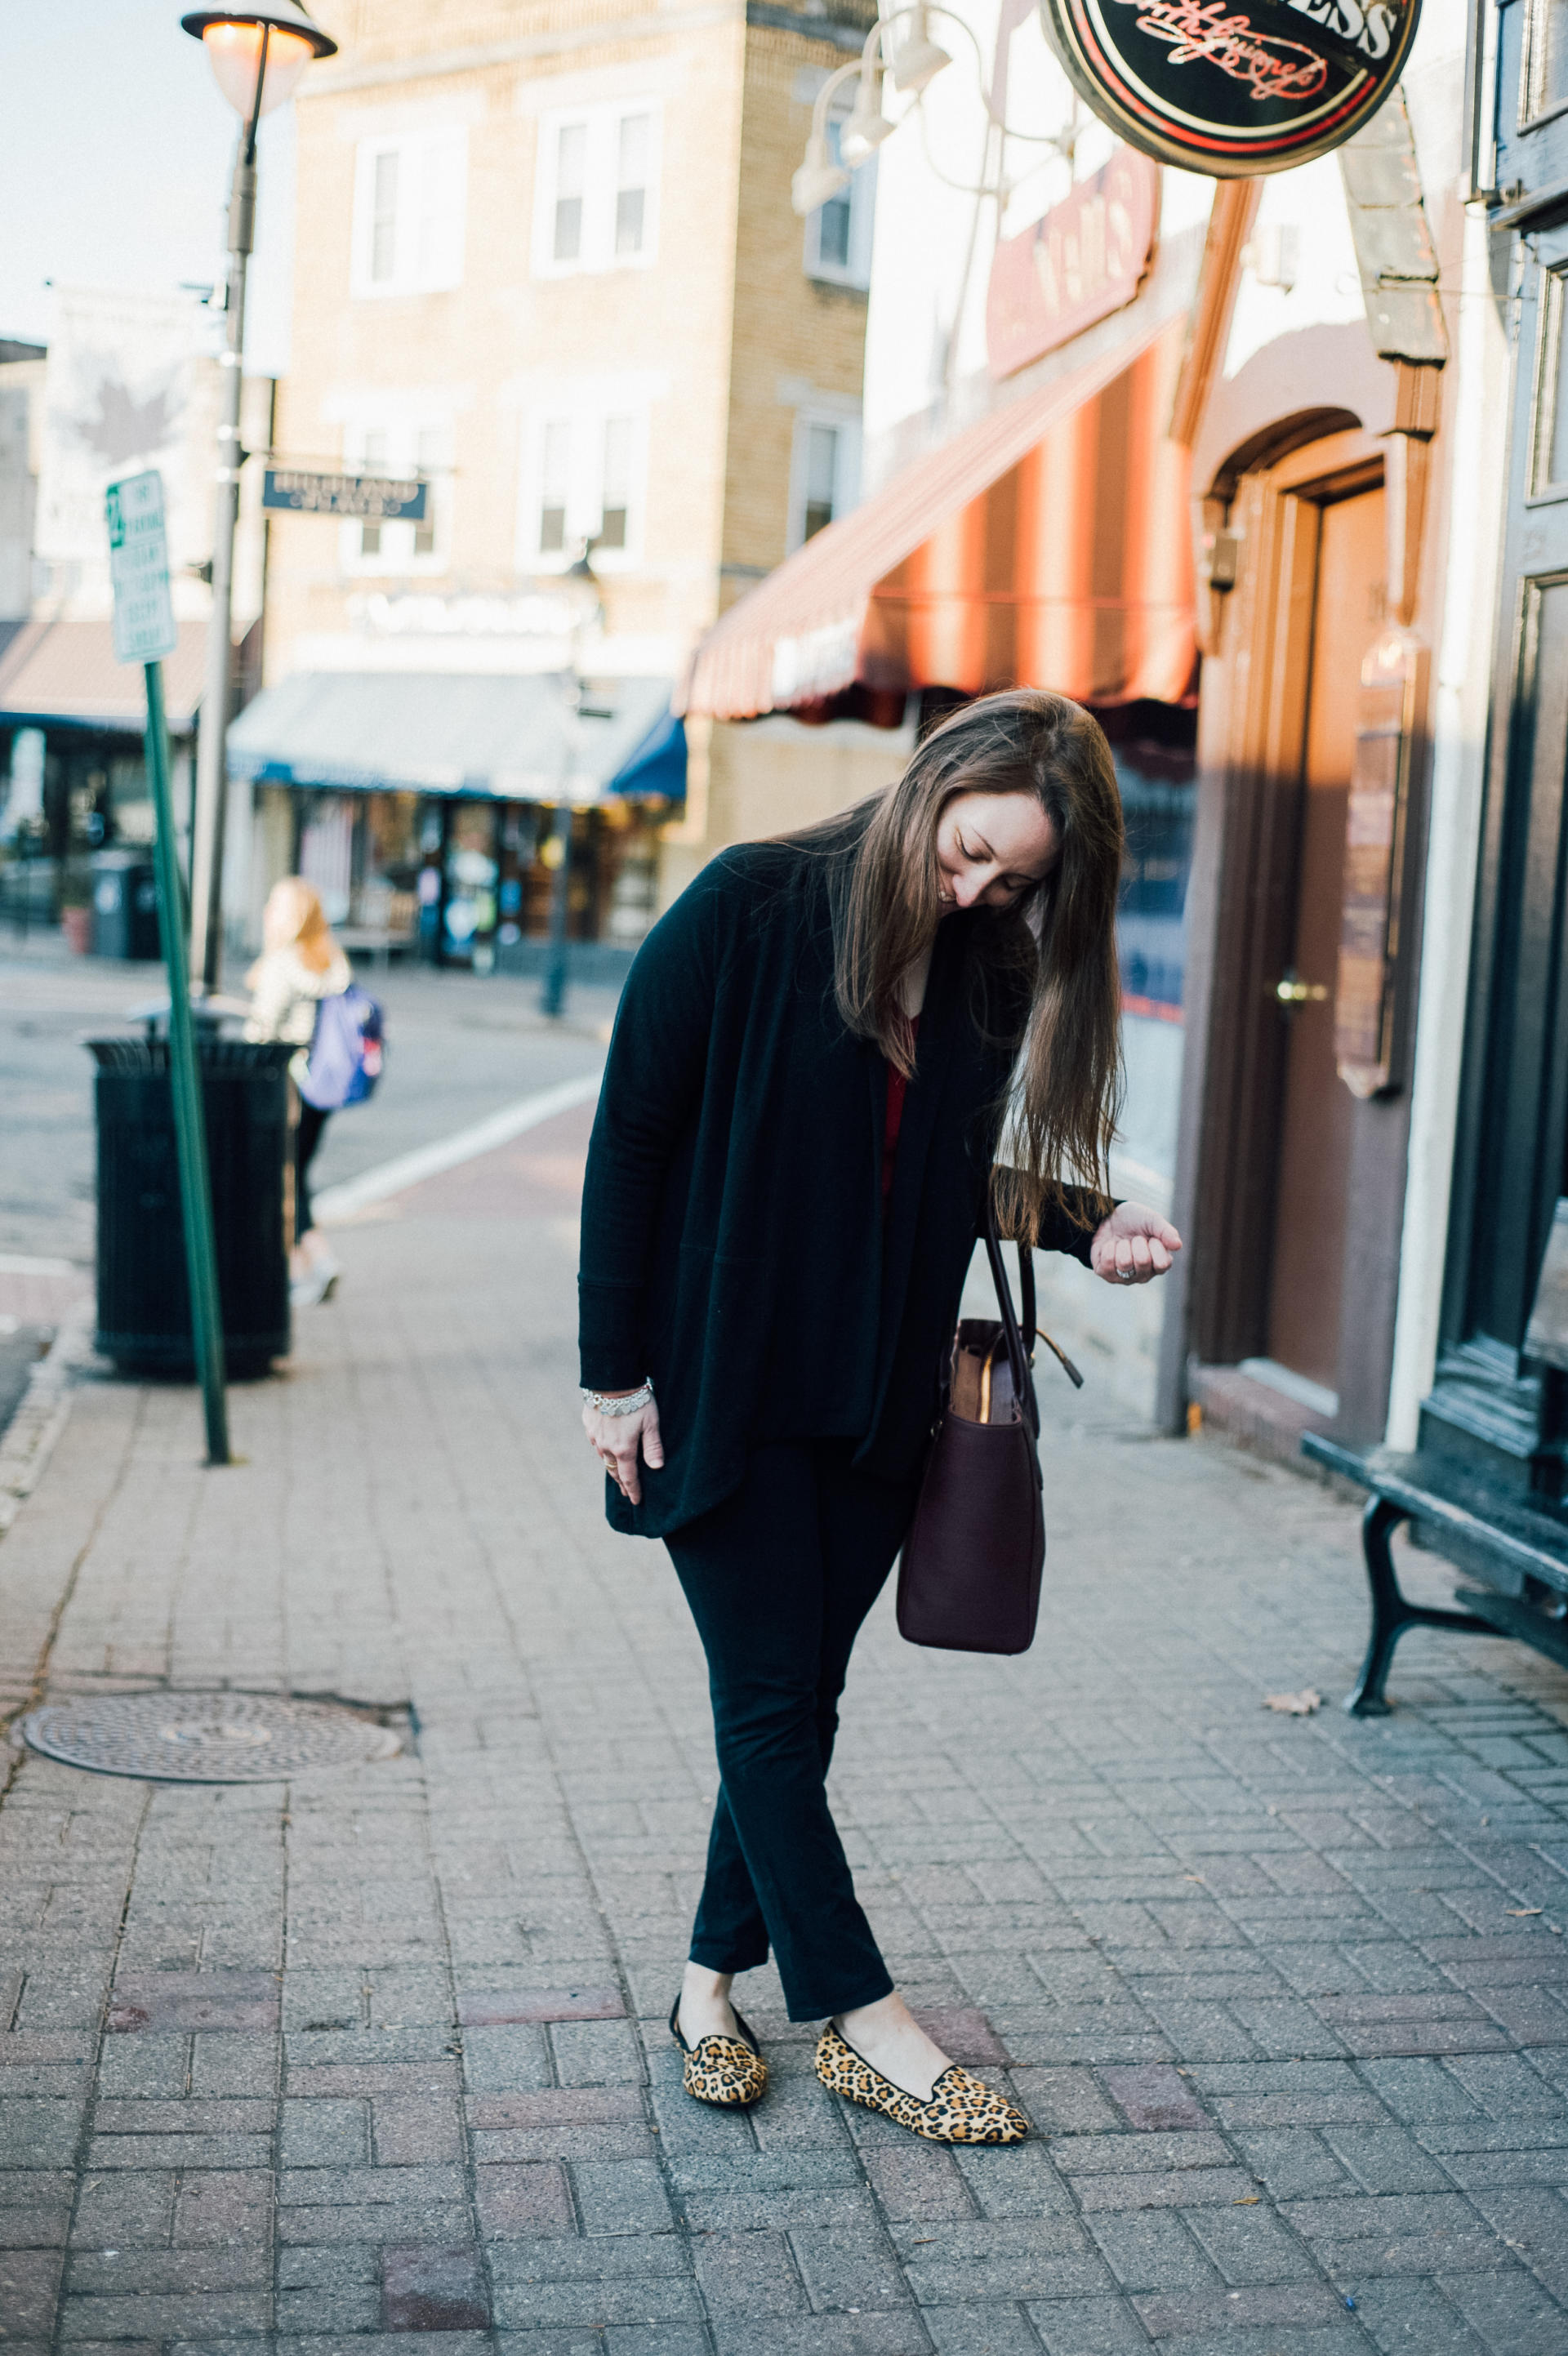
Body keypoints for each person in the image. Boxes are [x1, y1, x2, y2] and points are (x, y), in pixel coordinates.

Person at [577, 689, 1183, 2145]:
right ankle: (864, 2020)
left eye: (1013, 879)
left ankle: (706, 1987)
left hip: (871, 1413)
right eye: (968, 851)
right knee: (773, 1711)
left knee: (795, 1703)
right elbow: (632, 1138)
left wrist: (1083, 1223)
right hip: (716, 1398)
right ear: (930, 787)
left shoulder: (986, 972)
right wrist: (611, 1379)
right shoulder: (750, 907)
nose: (975, 891)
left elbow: (942, 1182)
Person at [246, 877, 351, 1308]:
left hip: (288, 1085)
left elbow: (261, 1031)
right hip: (326, 1086)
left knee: (283, 1175)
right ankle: (305, 1264)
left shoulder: (283, 963)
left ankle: (309, 1264)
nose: (268, 913)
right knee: (294, 1173)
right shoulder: (332, 959)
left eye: (277, 907)